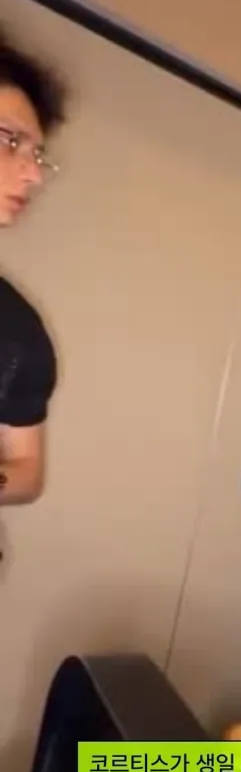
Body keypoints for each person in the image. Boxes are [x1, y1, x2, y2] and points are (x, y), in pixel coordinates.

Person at [0, 28, 66, 504]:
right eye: (10, 141)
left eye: (37, 154)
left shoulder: (18, 328)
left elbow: (26, 471)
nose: (35, 174)